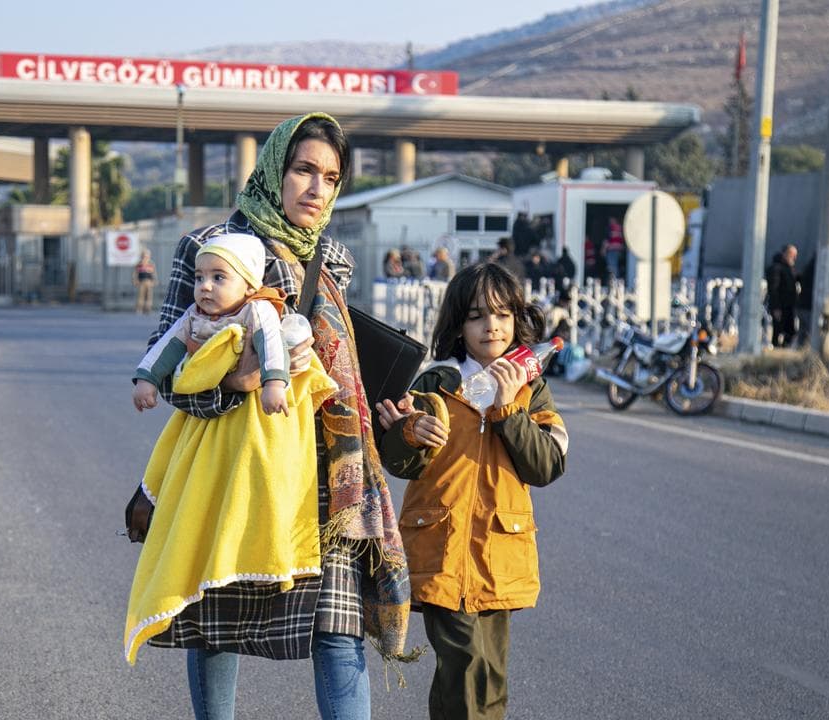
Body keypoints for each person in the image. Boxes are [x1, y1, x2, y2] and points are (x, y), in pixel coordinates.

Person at [128, 113, 415, 719]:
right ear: (273, 170)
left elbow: (338, 360)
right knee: (215, 619)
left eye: (331, 177)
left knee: (338, 627)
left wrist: (383, 407)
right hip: (234, 464)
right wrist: (239, 382)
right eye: (304, 169)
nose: (317, 188)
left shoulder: (331, 257)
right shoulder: (207, 247)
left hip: (325, 469)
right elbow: (170, 362)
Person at [376, 261, 568, 720]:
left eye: (502, 315)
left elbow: (547, 465)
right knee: (463, 660)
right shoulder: (436, 381)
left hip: (498, 552)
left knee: (490, 674)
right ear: (459, 324)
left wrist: (507, 412)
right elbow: (398, 460)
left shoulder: (530, 389)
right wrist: (409, 431)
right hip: (440, 546)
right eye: (478, 315)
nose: (491, 326)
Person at [765, 244, 799, 348]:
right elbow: (773, 289)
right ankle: (776, 351)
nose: (794, 258)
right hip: (780, 306)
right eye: (792, 255)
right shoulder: (776, 268)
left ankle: (783, 349)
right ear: (785, 254)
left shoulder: (790, 269)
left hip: (788, 306)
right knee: (778, 331)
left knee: (790, 331)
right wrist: (776, 307)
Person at [133, 249, 157, 314]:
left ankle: (148, 309)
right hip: (141, 282)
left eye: (147, 256)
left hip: (149, 282)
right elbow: (135, 273)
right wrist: (135, 280)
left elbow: (153, 273)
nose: (145, 257)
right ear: (141, 256)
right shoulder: (139, 264)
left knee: (149, 296)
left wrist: (154, 280)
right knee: (141, 296)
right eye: (144, 256)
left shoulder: (151, 264)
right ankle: (139, 309)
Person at [604, 217, 626, 283]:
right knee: (616, 267)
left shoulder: (611, 228)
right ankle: (617, 282)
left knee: (612, 267)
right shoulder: (621, 228)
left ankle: (613, 282)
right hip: (619, 250)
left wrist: (604, 249)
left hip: (612, 250)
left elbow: (607, 240)